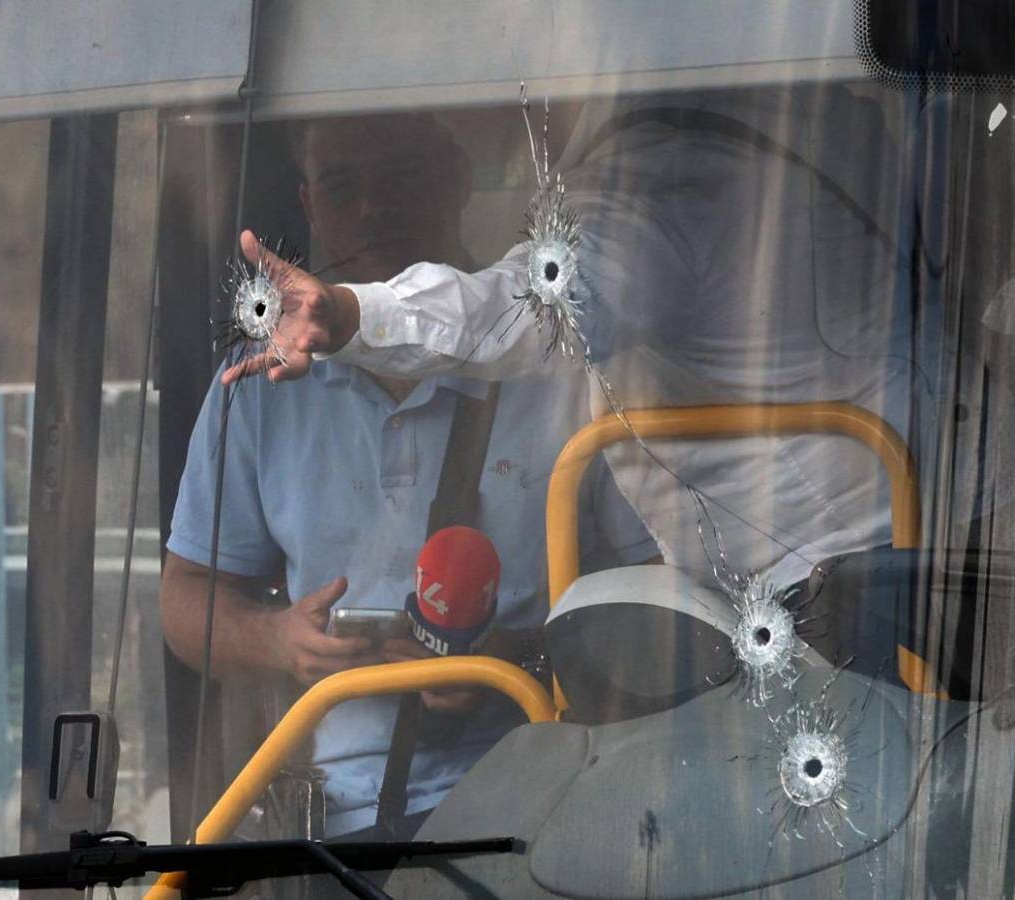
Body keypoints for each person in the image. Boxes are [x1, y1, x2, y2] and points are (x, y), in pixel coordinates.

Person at [159, 112, 656, 839]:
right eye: (342, 185)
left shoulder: (560, 358)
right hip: (327, 828)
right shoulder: (256, 380)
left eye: (401, 177)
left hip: (548, 803)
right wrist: (281, 641)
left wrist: (513, 659)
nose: (374, 206)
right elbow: (184, 602)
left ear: (455, 179)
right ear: (308, 205)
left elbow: (664, 597)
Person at [225, 83, 917, 596]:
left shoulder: (660, 174)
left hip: (839, 582)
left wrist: (352, 314)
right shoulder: (815, 107)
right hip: (913, 532)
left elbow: (536, 302)